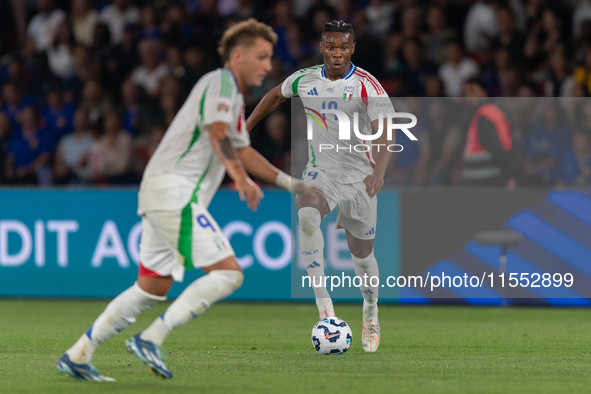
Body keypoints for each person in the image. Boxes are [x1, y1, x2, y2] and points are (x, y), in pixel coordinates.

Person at [56, 18, 318, 382]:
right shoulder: (220, 82)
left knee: (152, 287)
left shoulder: (229, 96)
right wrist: (240, 180)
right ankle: (151, 338)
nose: (268, 66)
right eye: (261, 57)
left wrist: (295, 186)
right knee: (228, 274)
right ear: (238, 56)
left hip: (162, 192)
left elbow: (241, 149)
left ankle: (78, 353)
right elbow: (217, 134)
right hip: (173, 192)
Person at [246, 20, 394, 353]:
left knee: (362, 255)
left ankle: (370, 312)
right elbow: (274, 96)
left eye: (344, 47)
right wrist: (246, 126)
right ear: (322, 48)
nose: (337, 53)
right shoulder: (305, 78)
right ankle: (324, 307)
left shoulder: (368, 85)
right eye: (331, 47)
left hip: (359, 179)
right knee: (307, 210)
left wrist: (380, 171)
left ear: (352, 48)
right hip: (321, 170)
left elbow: (386, 132)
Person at [460, 77, 517, 188]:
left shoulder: (485, 117)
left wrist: (510, 175)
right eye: (466, 92)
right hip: (480, 180)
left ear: (483, 93)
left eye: (472, 91)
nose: (467, 96)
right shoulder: (479, 115)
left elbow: (497, 149)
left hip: (486, 181)